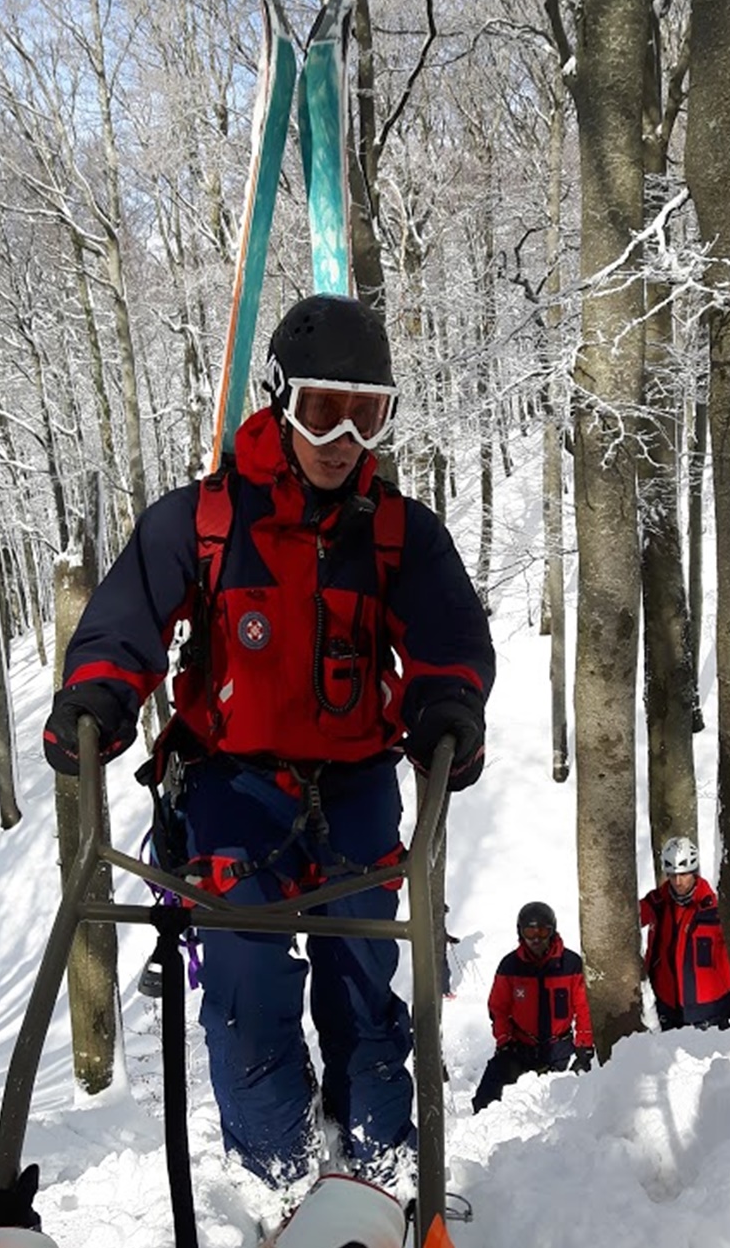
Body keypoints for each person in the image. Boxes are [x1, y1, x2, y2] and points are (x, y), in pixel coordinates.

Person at [44, 294, 495, 1189]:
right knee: (247, 998)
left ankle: (380, 1181)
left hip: (359, 786)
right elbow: (125, 620)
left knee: (366, 996)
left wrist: (448, 707)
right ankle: (282, 1182)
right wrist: (98, 696)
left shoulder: (400, 533)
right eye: (324, 410)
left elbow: (451, 640)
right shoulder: (204, 522)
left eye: (369, 416)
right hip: (233, 787)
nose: (344, 440)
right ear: (281, 400)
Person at [471, 903, 593, 1113]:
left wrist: (584, 1046)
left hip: (560, 1048)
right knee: (488, 1093)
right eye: (530, 932)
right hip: (521, 1047)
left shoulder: (571, 964)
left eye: (543, 931)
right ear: (520, 933)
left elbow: (584, 1007)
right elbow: (498, 1008)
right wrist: (504, 1041)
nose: (536, 939)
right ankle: (481, 1127)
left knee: (574, 1104)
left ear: (552, 931)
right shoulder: (510, 966)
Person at [638, 836, 730, 1030]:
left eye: (684, 874)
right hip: (668, 1008)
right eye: (672, 875)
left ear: (694, 872)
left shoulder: (714, 909)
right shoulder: (658, 903)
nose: (678, 881)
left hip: (710, 1009)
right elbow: (633, 918)